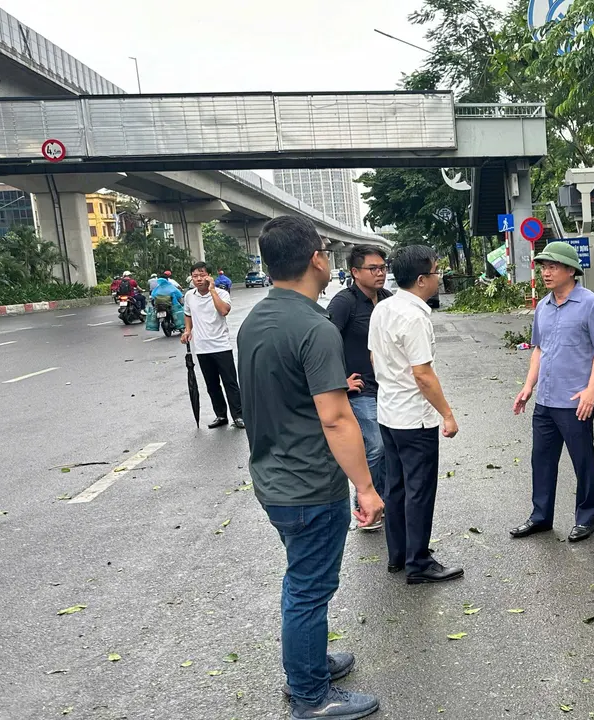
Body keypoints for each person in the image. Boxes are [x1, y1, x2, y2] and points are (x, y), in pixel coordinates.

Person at [237, 215, 384, 720]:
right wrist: (365, 487)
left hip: (273, 478)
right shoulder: (313, 325)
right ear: (317, 259)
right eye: (324, 250)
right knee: (309, 587)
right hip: (308, 485)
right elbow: (338, 418)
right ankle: (310, 696)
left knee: (301, 580)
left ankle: (308, 662)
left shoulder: (257, 319)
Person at [369, 245, 462, 584]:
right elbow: (423, 374)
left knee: (396, 487)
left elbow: (374, 357)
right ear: (422, 279)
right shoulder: (414, 316)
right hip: (414, 418)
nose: (439, 277)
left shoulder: (384, 306)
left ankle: (399, 554)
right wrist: (447, 415)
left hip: (389, 413)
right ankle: (419, 563)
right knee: (419, 489)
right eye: (436, 272)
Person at [510, 242, 594, 543]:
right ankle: (541, 517)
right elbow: (539, 349)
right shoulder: (543, 306)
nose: (546, 272)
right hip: (546, 400)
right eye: (543, 267)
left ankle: (586, 518)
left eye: (552, 266)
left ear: (570, 270)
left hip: (575, 400)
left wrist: (591, 390)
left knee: (583, 462)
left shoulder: (590, 304)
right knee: (541, 460)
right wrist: (528, 387)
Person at [326, 246, 393, 532]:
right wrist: (340, 379)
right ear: (355, 272)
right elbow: (324, 341)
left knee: (390, 445)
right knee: (375, 445)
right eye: (373, 269)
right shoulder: (344, 303)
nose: (380, 273)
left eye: (383, 268)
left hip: (388, 387)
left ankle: (385, 501)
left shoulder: (387, 300)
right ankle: (364, 505)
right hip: (361, 389)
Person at [181, 261, 244, 430]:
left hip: (221, 346)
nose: (199, 279)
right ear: (191, 278)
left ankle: (238, 416)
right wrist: (188, 330)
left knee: (230, 383)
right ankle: (221, 415)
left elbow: (223, 311)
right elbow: (188, 314)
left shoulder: (221, 293)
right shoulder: (189, 296)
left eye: (202, 275)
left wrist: (212, 290)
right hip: (202, 348)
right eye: (195, 276)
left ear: (209, 276)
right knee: (212, 385)